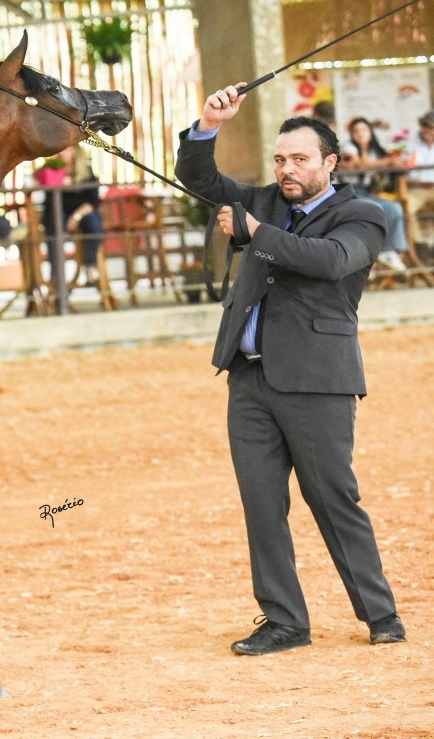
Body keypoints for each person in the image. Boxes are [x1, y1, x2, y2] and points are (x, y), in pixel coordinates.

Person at [177, 83, 404, 656]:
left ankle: (380, 615)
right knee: (261, 506)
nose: (287, 169)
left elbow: (330, 262)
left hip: (319, 382)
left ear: (330, 162)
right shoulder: (266, 201)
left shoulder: (363, 215)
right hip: (248, 379)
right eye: (280, 159)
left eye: (300, 159)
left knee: (333, 498)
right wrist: (208, 124)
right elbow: (200, 181)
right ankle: (284, 621)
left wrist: (254, 232)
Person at [338, 117, 408, 270]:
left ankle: (390, 250)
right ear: (351, 134)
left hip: (365, 192)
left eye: (364, 130)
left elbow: (373, 170)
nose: (360, 134)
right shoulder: (349, 147)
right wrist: (388, 162)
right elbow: (358, 164)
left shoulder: (375, 151)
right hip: (347, 192)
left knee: (395, 208)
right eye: (356, 131)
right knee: (375, 208)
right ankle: (377, 251)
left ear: (370, 132)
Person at [34, 145, 104, 285]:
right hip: (58, 213)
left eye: (65, 150)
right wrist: (53, 183)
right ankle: (57, 277)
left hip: (81, 213)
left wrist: (76, 217)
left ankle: (90, 267)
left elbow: (93, 201)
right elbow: (47, 201)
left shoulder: (86, 173)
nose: (60, 153)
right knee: (54, 226)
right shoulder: (51, 169)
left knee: (93, 223)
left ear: (74, 152)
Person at [403, 109, 434, 246]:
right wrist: (422, 184)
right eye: (425, 126)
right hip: (415, 189)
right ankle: (419, 243)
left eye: (431, 127)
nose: (428, 130)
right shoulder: (409, 145)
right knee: (407, 206)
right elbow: (402, 175)